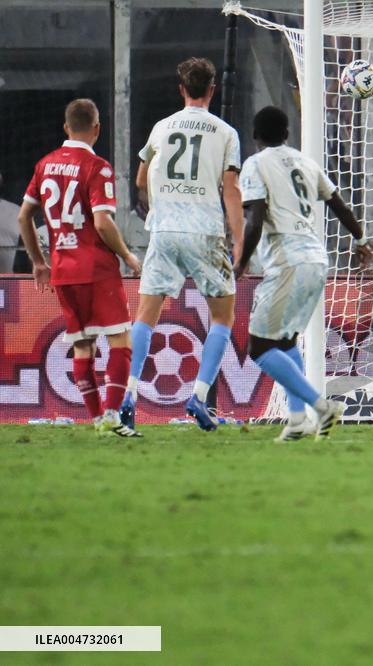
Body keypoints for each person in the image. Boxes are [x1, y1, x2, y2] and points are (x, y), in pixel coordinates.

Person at [120, 57, 244, 433]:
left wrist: (159, 205)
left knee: (146, 315)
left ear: (181, 89)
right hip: (204, 230)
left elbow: (141, 179)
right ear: (212, 90)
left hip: (165, 230)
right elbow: (231, 190)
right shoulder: (225, 133)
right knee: (222, 317)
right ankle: (199, 397)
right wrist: (238, 238)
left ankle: (128, 395)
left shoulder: (162, 127)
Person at [234, 107, 372, 440]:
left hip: (288, 260)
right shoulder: (306, 163)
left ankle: (321, 406)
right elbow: (338, 204)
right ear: (287, 134)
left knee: (259, 348)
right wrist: (360, 239)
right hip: (316, 260)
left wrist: (241, 263)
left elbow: (255, 219)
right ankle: (297, 420)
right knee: (284, 342)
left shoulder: (255, 164)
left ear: (255, 136)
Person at [18, 99, 142, 436]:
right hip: (96, 269)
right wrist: (127, 255)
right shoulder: (97, 167)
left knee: (84, 345)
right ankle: (113, 415)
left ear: (66, 127)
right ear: (97, 128)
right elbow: (102, 223)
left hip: (63, 271)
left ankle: (98, 419)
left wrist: (39, 262)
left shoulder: (44, 165)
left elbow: (24, 216)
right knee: (121, 339)